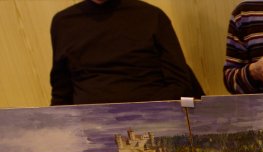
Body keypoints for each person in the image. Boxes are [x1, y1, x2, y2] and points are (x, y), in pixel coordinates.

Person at [50, 0, 202, 106]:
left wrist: (145, 112)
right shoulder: (63, 23)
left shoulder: (151, 16)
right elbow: (61, 94)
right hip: (89, 127)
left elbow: (180, 84)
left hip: (151, 119)